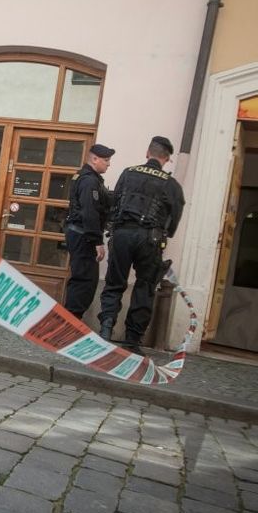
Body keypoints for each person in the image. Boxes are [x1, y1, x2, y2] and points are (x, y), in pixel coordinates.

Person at [97, 136, 185, 354]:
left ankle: (106, 329)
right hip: (150, 239)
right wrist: (167, 233)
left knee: (114, 283)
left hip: (123, 234)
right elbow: (176, 214)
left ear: (148, 153)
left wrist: (113, 227)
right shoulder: (171, 183)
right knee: (144, 287)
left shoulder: (128, 172)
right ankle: (132, 340)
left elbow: (115, 200)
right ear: (166, 159)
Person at [63, 143, 114, 324]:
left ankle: (71, 321)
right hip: (83, 235)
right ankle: (70, 323)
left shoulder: (87, 178)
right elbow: (89, 212)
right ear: (94, 159)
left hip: (80, 234)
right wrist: (97, 241)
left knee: (84, 279)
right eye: (106, 160)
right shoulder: (89, 181)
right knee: (84, 280)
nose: (108, 164)